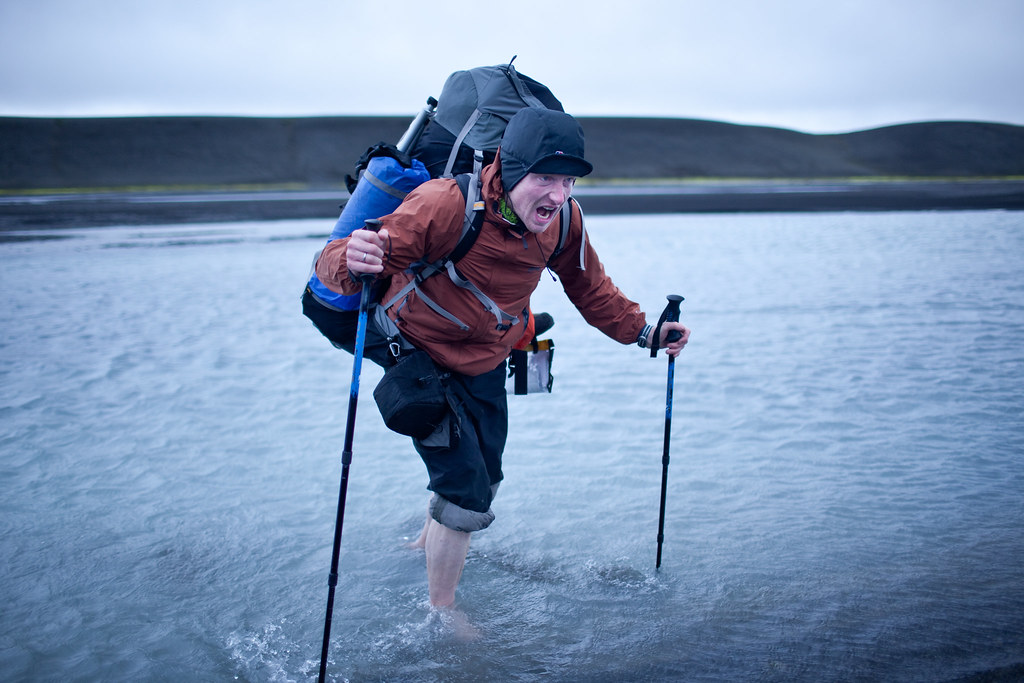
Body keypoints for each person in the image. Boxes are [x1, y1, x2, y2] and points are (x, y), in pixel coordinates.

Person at [314, 107, 690, 612]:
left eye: (568, 180)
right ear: (510, 170)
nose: (558, 194)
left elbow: (592, 289)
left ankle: (423, 545)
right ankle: (442, 612)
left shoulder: (563, 223)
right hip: (417, 348)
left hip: (488, 354)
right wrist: (352, 257)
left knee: (486, 472)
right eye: (544, 177)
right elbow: (337, 260)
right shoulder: (446, 206)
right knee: (466, 488)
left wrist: (647, 332)